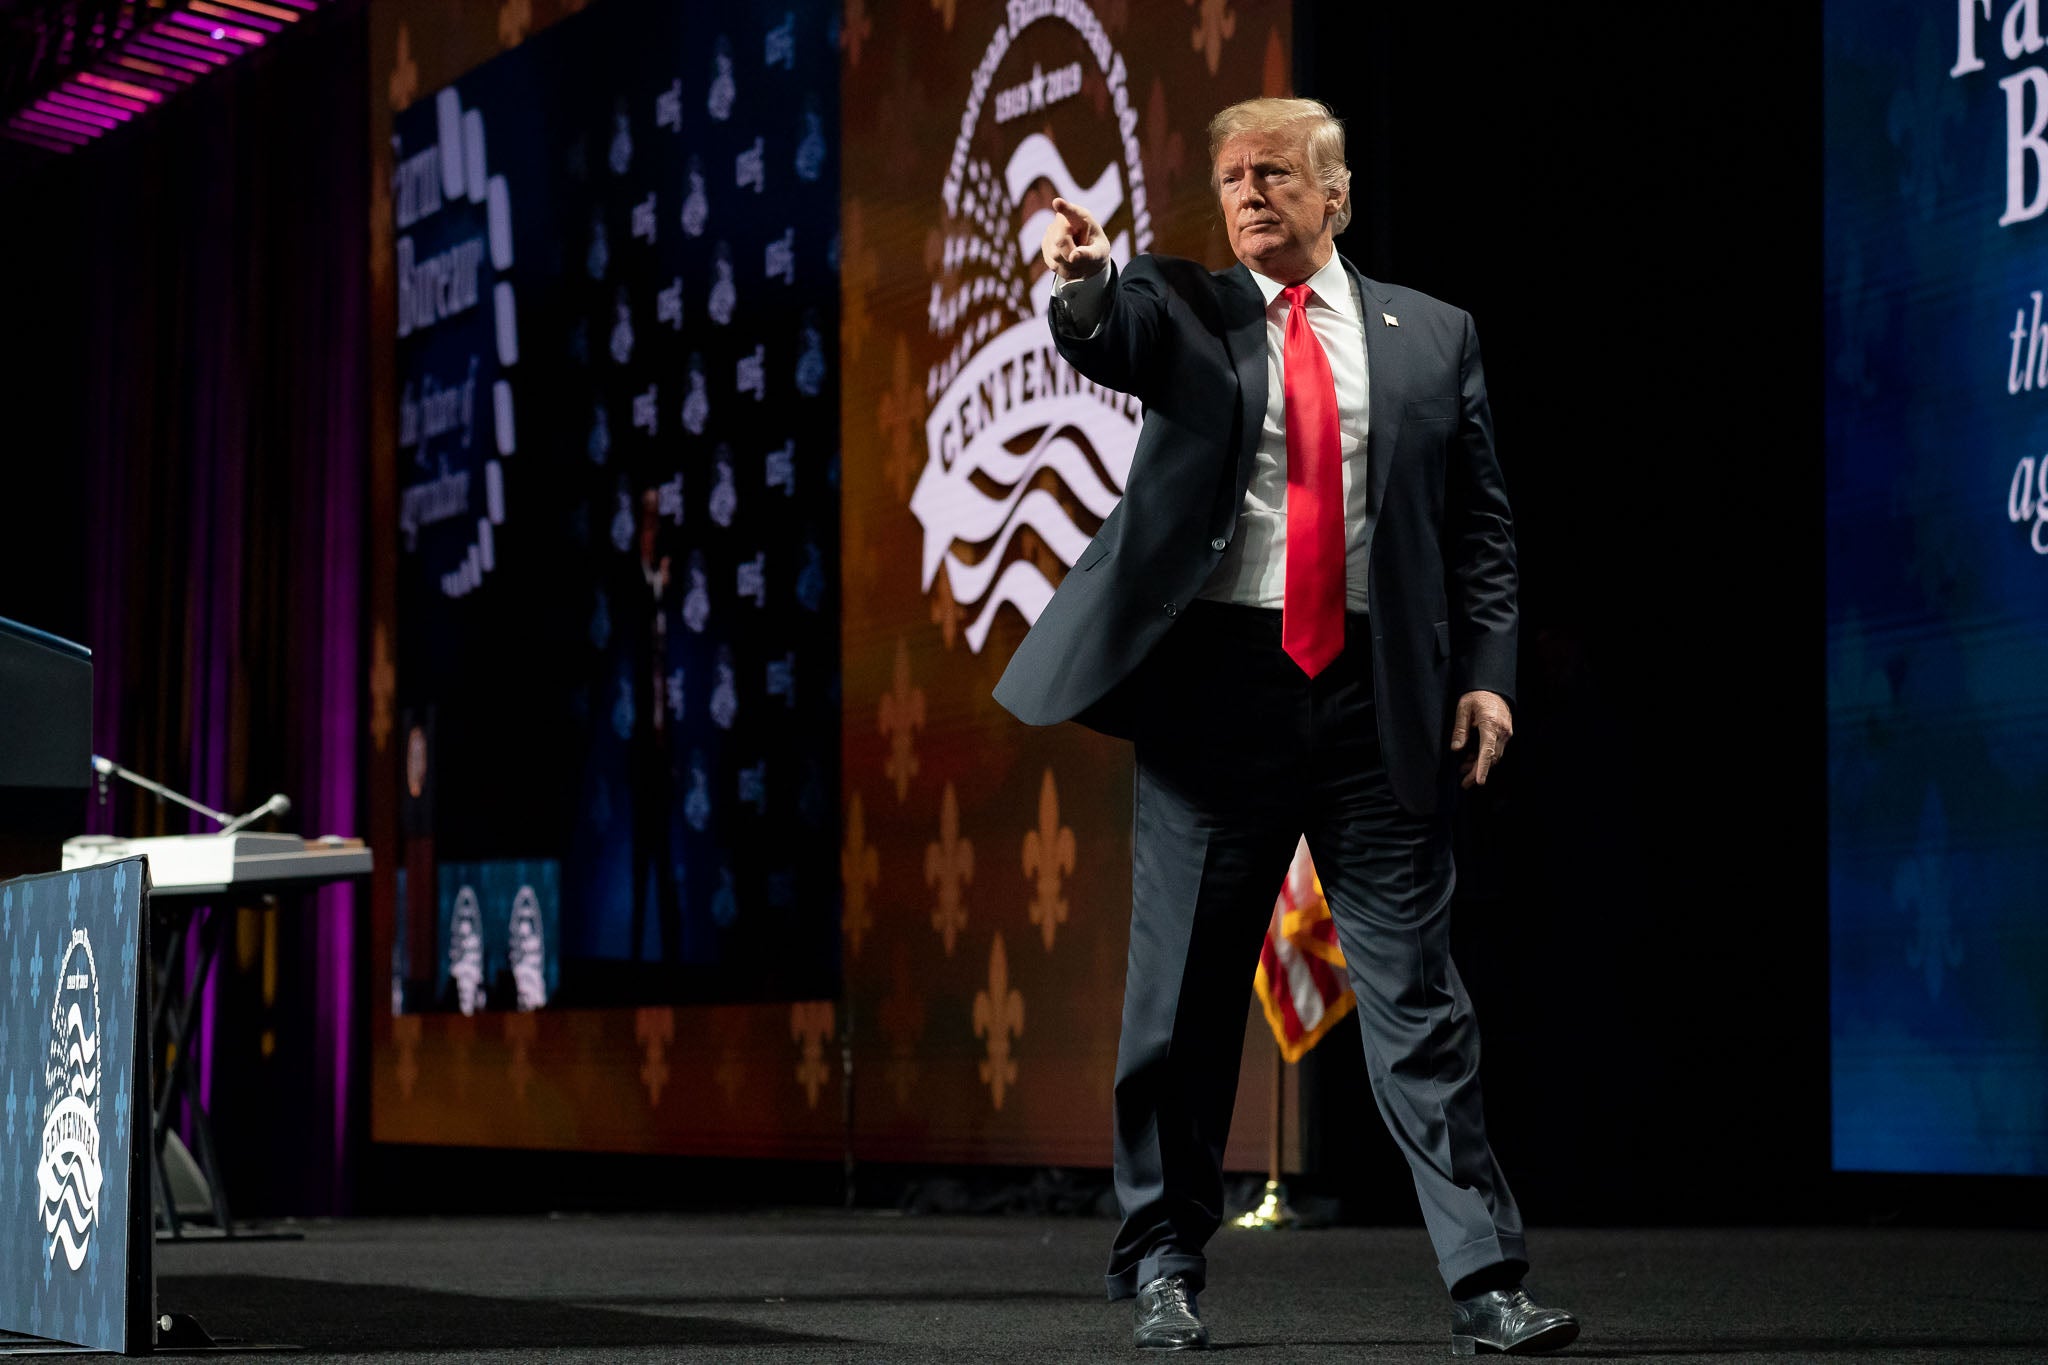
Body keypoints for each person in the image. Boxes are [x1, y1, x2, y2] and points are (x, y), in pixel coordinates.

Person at [992, 97, 1578, 1355]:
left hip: (1381, 703)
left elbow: (1480, 527)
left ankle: (1488, 1284)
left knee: (1419, 1001)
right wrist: (1087, 280)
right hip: (1218, 695)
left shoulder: (1432, 337)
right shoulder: (1185, 309)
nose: (1247, 193)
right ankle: (1160, 1263)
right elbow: (1106, 332)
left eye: (1272, 174)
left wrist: (1489, 677)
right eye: (1228, 177)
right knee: (1182, 1005)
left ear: (1336, 193)